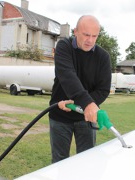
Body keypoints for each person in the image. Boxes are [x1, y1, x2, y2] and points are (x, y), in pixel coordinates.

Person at [49, 15, 112, 163]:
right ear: (75, 31)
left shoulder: (103, 57)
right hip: (59, 115)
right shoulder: (64, 47)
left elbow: (103, 89)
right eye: (86, 34)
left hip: (87, 118)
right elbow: (67, 76)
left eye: (94, 36)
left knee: (87, 162)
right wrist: (87, 103)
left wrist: (82, 106)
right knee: (59, 161)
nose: (90, 40)